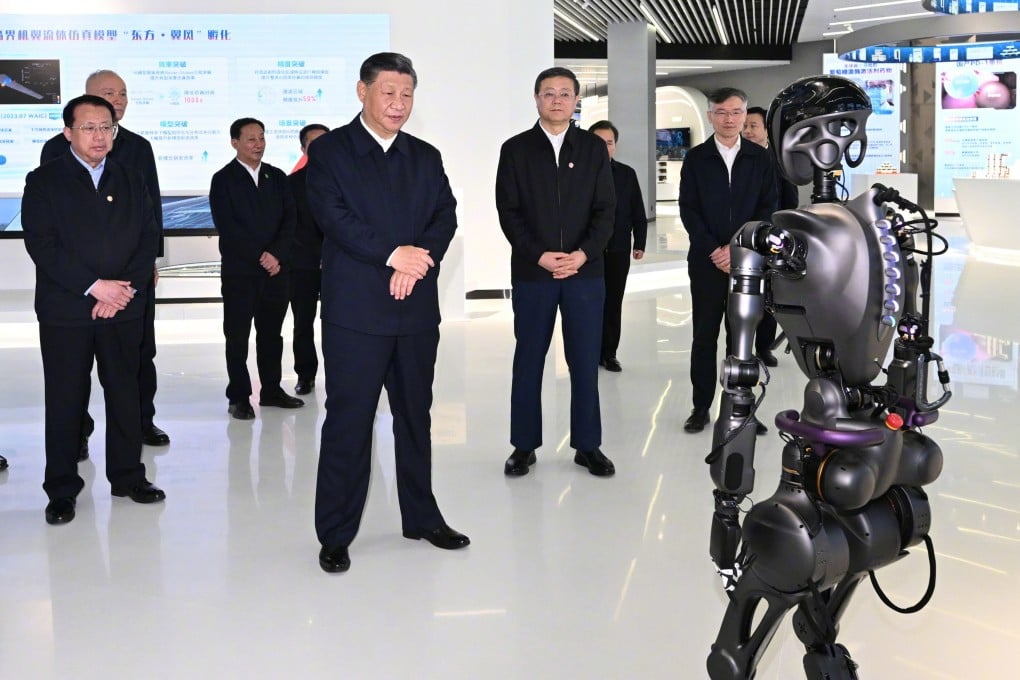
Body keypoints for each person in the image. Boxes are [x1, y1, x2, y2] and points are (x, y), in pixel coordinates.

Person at [306, 52, 469, 574]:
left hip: (416, 311)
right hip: (356, 313)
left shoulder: (424, 154)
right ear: (362, 92)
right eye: (388, 93)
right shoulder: (330, 150)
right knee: (348, 422)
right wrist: (392, 253)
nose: (398, 104)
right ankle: (335, 532)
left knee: (416, 418)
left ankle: (421, 516)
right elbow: (333, 216)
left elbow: (445, 214)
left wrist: (417, 260)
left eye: (406, 95)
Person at [23, 94, 165, 525]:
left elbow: (146, 239)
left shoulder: (130, 177)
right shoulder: (44, 180)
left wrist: (121, 291)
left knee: (125, 394)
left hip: (122, 306)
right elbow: (42, 245)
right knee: (66, 398)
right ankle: (62, 488)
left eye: (106, 127)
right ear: (68, 133)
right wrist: (94, 287)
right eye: (88, 128)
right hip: (67, 309)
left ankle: (127, 476)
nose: (99, 136)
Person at [40, 69, 169, 452]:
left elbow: (152, 213)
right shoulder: (54, 150)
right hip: (74, 287)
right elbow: (53, 229)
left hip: (130, 281)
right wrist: (94, 285)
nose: (119, 100)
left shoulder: (139, 147)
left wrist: (147, 266)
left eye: (124, 94)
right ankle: (77, 432)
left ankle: (142, 423)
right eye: (109, 93)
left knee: (138, 356)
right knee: (72, 374)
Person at [496, 67, 616, 478]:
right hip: (534, 274)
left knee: (584, 361)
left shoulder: (593, 149)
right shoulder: (515, 149)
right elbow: (508, 212)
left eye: (566, 93)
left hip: (585, 273)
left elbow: (606, 211)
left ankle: (588, 446)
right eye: (550, 93)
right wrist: (540, 255)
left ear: (576, 100)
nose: (558, 100)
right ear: (536, 99)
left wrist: (582, 254)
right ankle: (523, 446)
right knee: (529, 359)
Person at [679, 87, 777, 434]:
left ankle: (743, 407)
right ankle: (700, 406)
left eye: (736, 112)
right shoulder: (696, 159)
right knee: (704, 335)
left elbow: (768, 208)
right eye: (721, 112)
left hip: (748, 261)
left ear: (744, 114)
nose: (729, 119)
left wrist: (737, 248)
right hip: (707, 262)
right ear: (710, 117)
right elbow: (688, 210)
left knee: (742, 339)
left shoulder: (761, 158)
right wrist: (714, 249)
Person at [209, 117, 303, 419]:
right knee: (237, 336)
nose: (258, 144)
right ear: (234, 142)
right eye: (251, 139)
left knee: (271, 335)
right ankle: (238, 396)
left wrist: (275, 255)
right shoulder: (223, 179)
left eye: (261, 138)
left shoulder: (277, 177)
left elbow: (291, 220)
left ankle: (271, 390)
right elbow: (228, 226)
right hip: (241, 273)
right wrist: (260, 256)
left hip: (276, 273)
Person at [588, 120, 647, 373]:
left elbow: (637, 210)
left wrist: (640, 241)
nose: (604, 148)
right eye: (597, 143)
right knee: (587, 304)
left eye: (608, 143)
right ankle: (587, 354)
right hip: (587, 253)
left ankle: (609, 353)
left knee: (613, 303)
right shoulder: (578, 174)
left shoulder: (626, 174)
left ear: (615, 145)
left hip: (618, 249)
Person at [742, 105, 799, 367]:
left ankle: (763, 347)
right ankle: (742, 348)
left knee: (769, 296)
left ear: (766, 130)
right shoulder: (738, 160)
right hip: (742, 238)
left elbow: (790, 201)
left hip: (771, 239)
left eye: (753, 125)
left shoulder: (779, 163)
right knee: (744, 296)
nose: (748, 130)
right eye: (746, 125)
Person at [288, 123, 329, 395]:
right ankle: (305, 375)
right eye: (313, 143)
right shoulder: (290, 183)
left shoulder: (349, 180)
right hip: (302, 264)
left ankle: (345, 374)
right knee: (302, 323)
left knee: (342, 323)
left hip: (339, 265)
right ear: (303, 149)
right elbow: (288, 226)